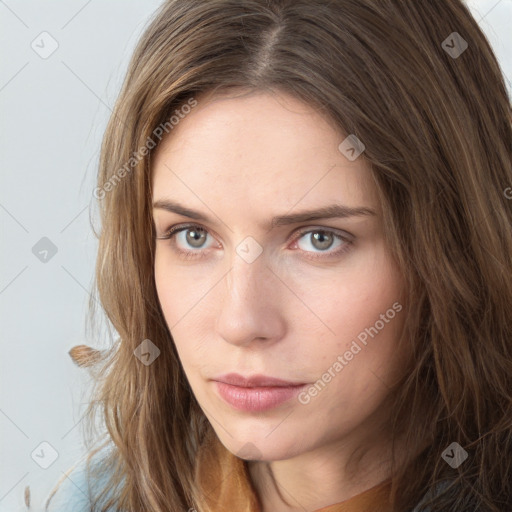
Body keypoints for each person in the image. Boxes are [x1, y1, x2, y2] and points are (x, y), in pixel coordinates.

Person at [43, 0, 512, 510]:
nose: (241, 322)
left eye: (319, 239)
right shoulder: (98, 499)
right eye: (193, 236)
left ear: (455, 246)